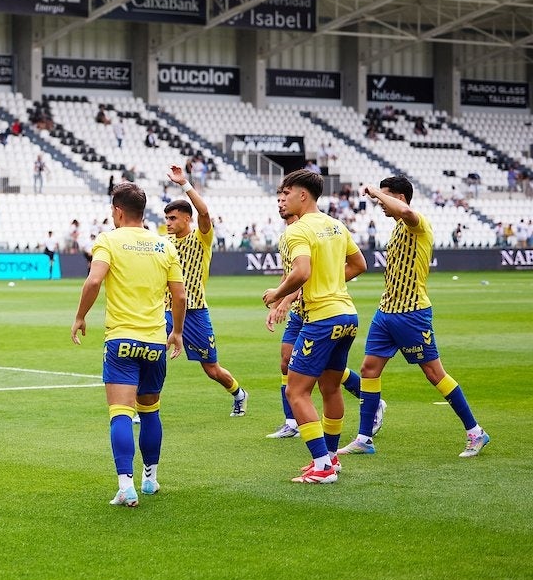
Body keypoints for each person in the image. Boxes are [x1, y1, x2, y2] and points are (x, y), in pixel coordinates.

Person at [337, 177, 490, 459]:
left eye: (386, 197)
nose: (380, 203)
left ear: (401, 197)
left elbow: (407, 213)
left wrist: (374, 193)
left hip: (412, 313)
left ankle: (475, 432)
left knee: (434, 373)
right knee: (369, 369)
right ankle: (364, 438)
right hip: (386, 312)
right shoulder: (396, 228)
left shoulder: (416, 223)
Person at [71, 182, 185, 507]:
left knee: (121, 413)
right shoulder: (165, 246)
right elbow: (179, 294)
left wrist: (80, 316)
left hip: (121, 339)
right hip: (154, 341)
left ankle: (126, 485)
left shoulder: (108, 239)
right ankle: (150, 479)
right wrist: (176, 332)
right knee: (150, 412)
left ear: (118, 211)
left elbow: (94, 280)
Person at [262, 169, 367, 484]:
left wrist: (276, 294)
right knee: (331, 387)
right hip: (347, 315)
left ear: (302, 194)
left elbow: (301, 271)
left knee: (297, 392)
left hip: (321, 318)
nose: (284, 199)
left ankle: (322, 465)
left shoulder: (297, 230)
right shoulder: (336, 225)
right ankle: (331, 459)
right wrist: (332, 283)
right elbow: (360, 264)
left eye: (287, 193)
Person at [163, 165, 248, 417]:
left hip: (196, 312)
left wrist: (184, 184)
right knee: (150, 354)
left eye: (173, 218)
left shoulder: (201, 238)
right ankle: (141, 408)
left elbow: (204, 211)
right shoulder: (164, 243)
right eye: (166, 218)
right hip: (166, 310)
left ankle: (239, 394)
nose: (168, 223)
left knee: (211, 369)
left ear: (186, 219)